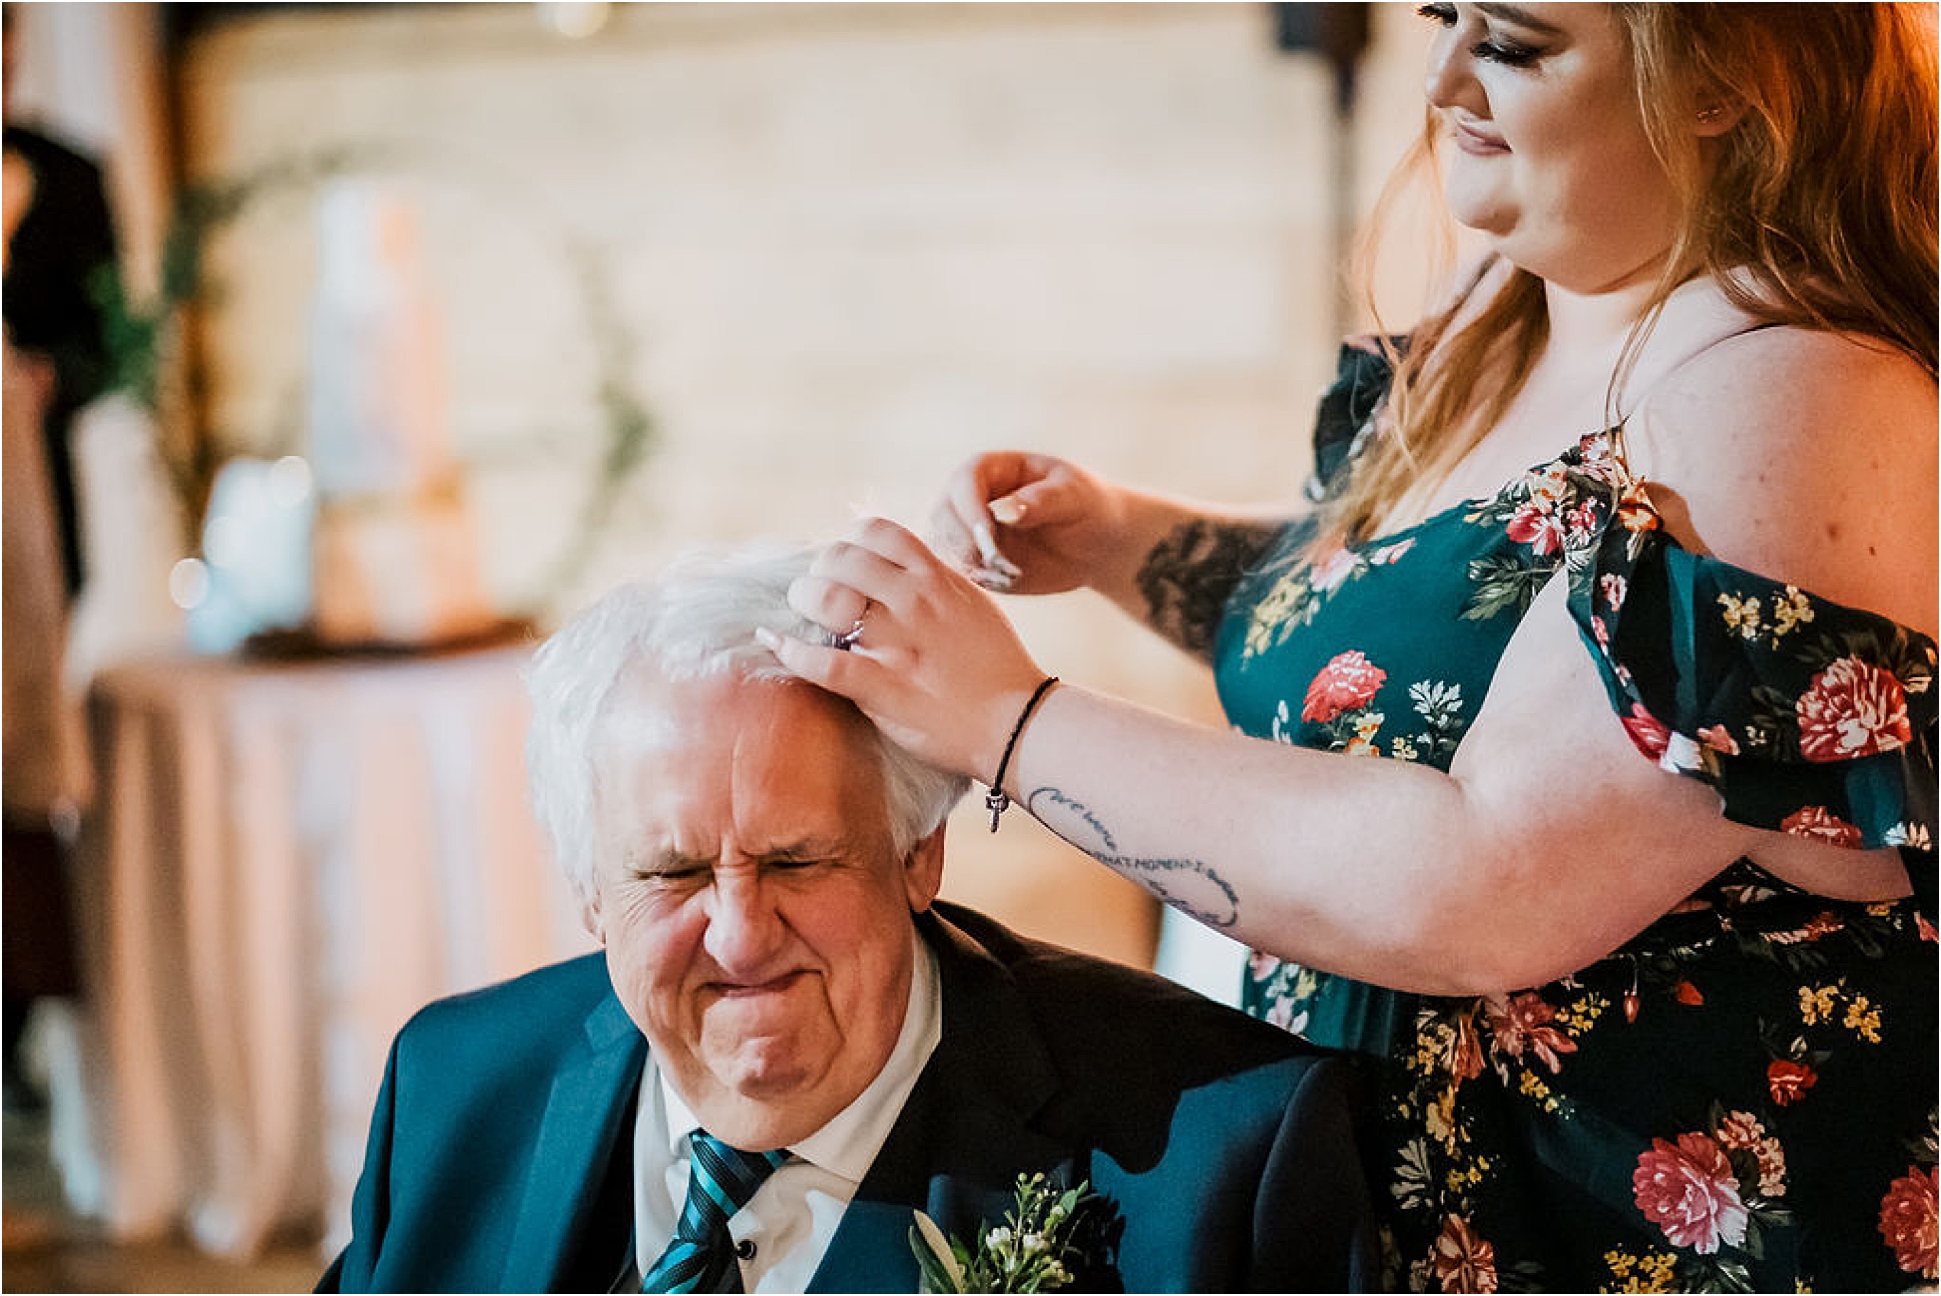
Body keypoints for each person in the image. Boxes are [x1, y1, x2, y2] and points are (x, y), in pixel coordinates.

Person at [765, 5, 1939, 1291]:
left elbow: (1483, 882)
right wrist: (1119, 541)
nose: (1438, 79)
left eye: (1513, 42)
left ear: (1726, 74)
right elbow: (1407, 662)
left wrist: (1005, 717)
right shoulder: (1516, 314)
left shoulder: (1797, 396)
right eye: (1441, 15)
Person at [320, 542, 1377, 1293]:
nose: (738, 935)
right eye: (676, 872)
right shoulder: (453, 1088)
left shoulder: (1222, 1170)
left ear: (920, 853)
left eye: (796, 860)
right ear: (590, 888)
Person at [2, 3, 121, 1113]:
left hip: (27, 527)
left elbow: (110, 344)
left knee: (24, 779)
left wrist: (49, 376)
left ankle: (17, 1028)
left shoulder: (67, 176)